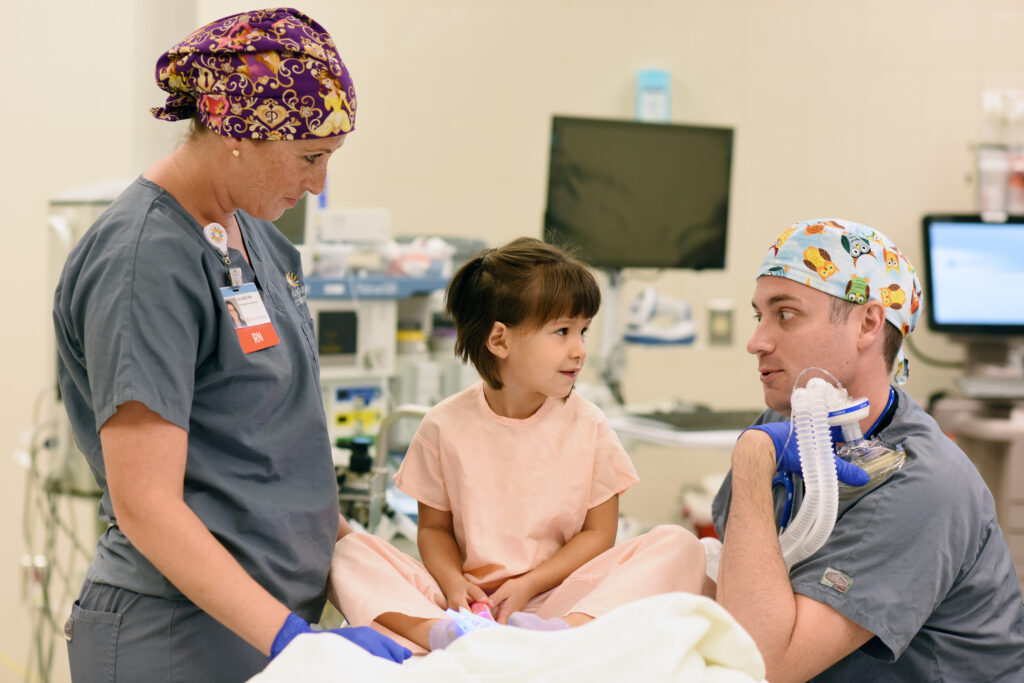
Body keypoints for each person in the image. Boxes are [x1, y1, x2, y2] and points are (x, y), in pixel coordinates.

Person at [52, 9, 410, 681]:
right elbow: (147, 503)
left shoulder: (261, 242)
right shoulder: (145, 260)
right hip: (176, 633)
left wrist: (403, 587)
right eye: (310, 157)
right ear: (239, 131)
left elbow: (272, 451)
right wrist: (292, 639)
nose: (318, 184)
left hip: (267, 620)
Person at [329, 237, 708, 652]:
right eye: (562, 331)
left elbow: (600, 534)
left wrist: (529, 585)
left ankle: (567, 634)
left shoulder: (589, 425)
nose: (579, 350)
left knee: (681, 545)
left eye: (583, 331)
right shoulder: (443, 426)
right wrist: (455, 583)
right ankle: (437, 635)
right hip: (464, 606)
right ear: (500, 340)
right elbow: (433, 529)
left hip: (560, 599)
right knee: (345, 551)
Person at [711, 219, 1024, 681]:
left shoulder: (924, 485)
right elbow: (736, 579)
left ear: (868, 323)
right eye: (760, 316)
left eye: (786, 314)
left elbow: (760, 665)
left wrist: (754, 457)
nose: (757, 342)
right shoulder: (785, 422)